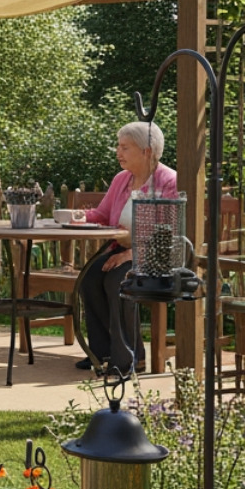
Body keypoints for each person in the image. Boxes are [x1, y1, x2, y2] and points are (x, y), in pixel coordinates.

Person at [75, 121, 177, 374]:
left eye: (125, 147)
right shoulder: (122, 179)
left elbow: (170, 230)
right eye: (118, 146)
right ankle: (101, 353)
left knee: (119, 281)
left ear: (147, 151)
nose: (118, 152)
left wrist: (134, 253)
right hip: (121, 252)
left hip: (157, 257)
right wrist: (79, 216)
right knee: (90, 277)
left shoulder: (169, 181)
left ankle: (130, 358)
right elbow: (102, 213)